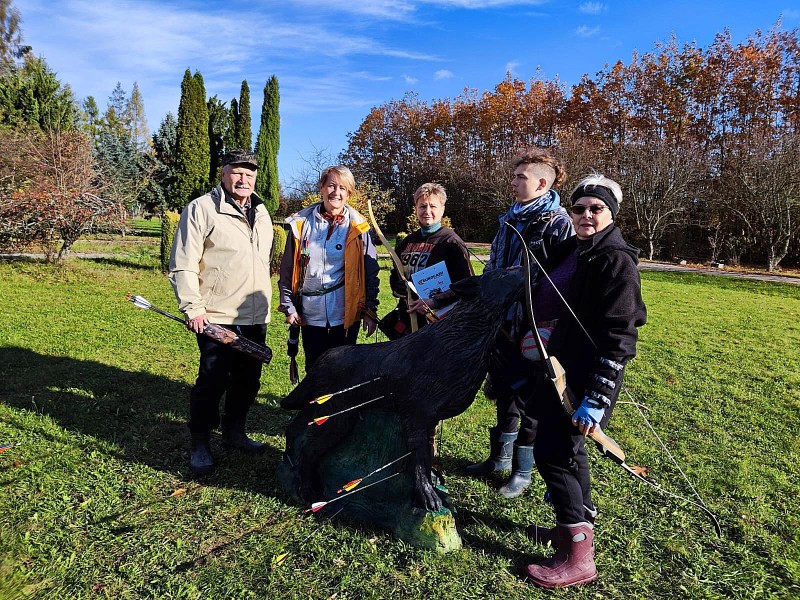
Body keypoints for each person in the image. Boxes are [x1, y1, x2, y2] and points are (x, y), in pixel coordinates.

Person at [523, 174, 647, 588]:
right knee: (568, 450)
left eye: (597, 208)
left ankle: (578, 555)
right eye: (579, 208)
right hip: (557, 366)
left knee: (553, 453)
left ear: (612, 213)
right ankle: (573, 527)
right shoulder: (573, 248)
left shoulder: (616, 260)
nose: (586, 215)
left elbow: (621, 336)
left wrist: (597, 397)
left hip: (585, 376)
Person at [465, 147, 573, 499]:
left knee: (532, 400)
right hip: (502, 324)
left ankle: (522, 471)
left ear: (542, 184)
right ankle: (499, 459)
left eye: (520, 177)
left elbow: (563, 281)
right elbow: (493, 267)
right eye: (514, 176)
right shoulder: (507, 220)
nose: (512, 182)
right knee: (504, 390)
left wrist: (545, 324)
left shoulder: (559, 224)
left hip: (536, 329)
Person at [169, 149, 274, 476]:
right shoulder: (202, 209)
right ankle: (200, 441)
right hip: (216, 316)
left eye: (250, 174)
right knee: (212, 381)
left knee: (248, 381)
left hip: (254, 316)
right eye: (237, 172)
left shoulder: (262, 212)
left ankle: (234, 432)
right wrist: (193, 307)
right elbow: (183, 263)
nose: (244, 179)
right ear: (223, 173)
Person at [278, 165, 379, 372]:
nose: (336, 192)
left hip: (345, 315)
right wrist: (289, 306)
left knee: (342, 371)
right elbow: (287, 270)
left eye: (343, 188)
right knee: (315, 370)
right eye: (331, 185)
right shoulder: (301, 225)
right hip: (310, 314)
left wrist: (370, 310)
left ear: (349, 193)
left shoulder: (359, 227)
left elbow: (371, 272)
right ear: (322, 188)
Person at [387, 183, 472, 334]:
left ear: (442, 210)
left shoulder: (451, 242)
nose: (427, 211)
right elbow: (395, 274)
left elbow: (466, 284)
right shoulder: (407, 242)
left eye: (433, 206)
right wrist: (397, 288)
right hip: (409, 319)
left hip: (440, 323)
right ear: (416, 209)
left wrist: (435, 301)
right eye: (422, 206)